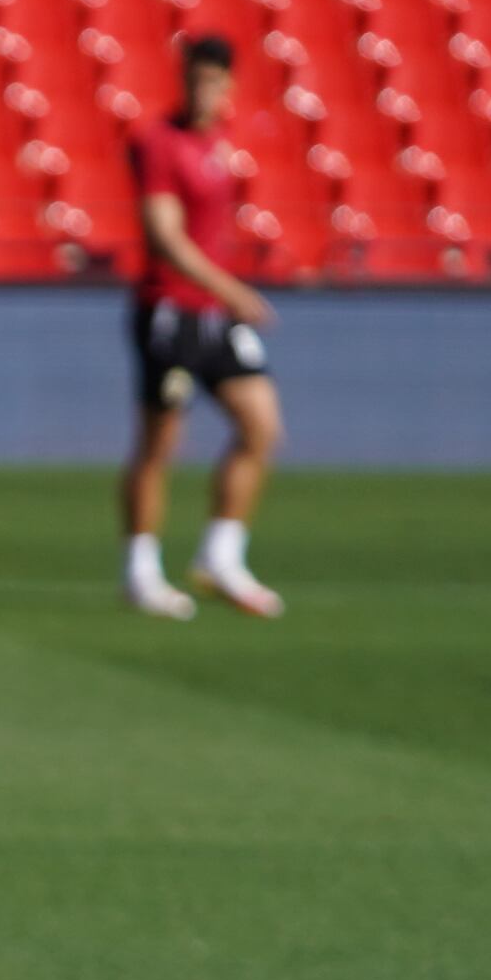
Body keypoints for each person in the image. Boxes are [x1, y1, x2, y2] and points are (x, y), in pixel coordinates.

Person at [118, 33, 284, 622]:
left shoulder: (221, 143)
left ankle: (222, 555)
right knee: (161, 444)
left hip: (212, 314)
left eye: (212, 79)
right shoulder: (156, 142)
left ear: (228, 85)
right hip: (170, 310)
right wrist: (231, 290)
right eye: (194, 77)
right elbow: (164, 235)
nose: (201, 88)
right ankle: (140, 570)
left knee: (261, 424)